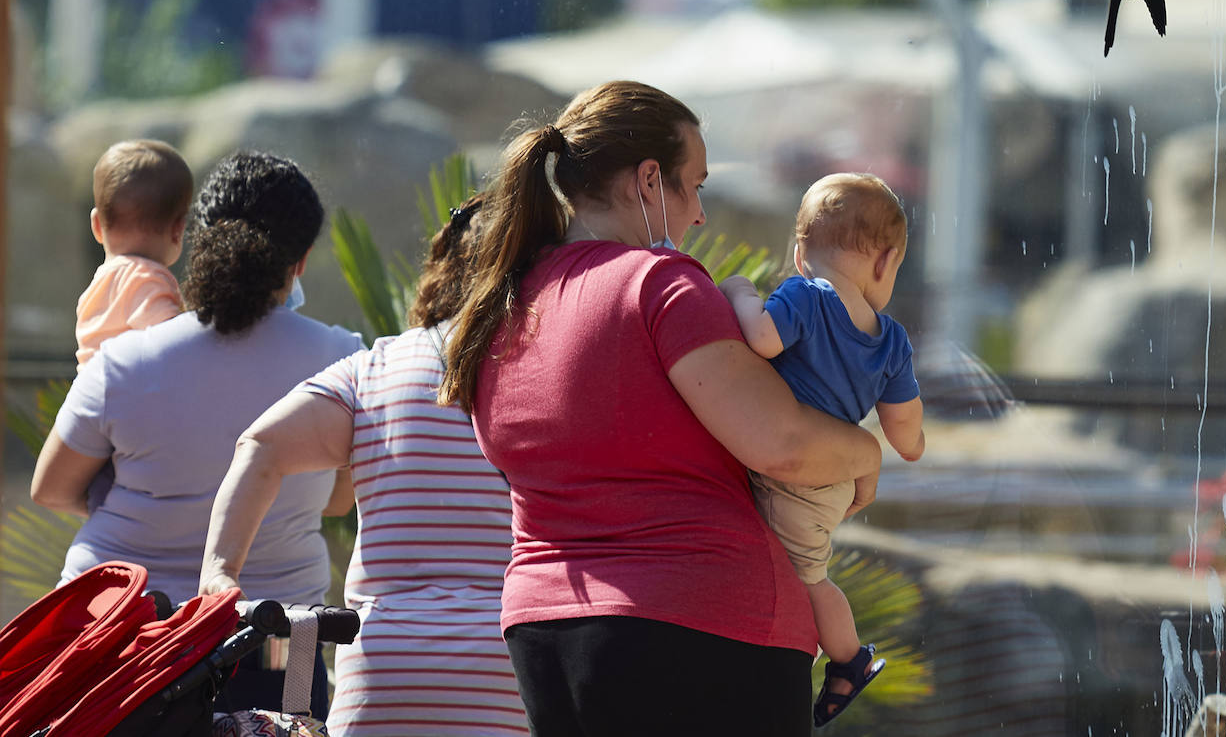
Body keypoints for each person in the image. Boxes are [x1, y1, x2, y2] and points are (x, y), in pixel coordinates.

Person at [437, 80, 883, 737]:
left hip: (543, 632)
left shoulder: (499, 306)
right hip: (701, 627)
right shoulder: (659, 283)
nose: (699, 213)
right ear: (649, 181)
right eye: (694, 184)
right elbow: (781, 441)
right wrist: (869, 452)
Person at [32, 151, 363, 719]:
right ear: (302, 260)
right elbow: (337, 500)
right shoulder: (343, 359)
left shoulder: (123, 360)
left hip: (123, 638)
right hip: (278, 642)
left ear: (197, 236)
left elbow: (52, 489)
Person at [200, 193, 531, 736]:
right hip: (507, 673)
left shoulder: (373, 368)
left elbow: (260, 446)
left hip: (382, 676)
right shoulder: (550, 368)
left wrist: (220, 572)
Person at [719, 172, 926, 727]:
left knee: (807, 578)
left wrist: (739, 292)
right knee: (803, 569)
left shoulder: (806, 296)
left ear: (799, 253)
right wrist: (916, 439)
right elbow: (906, 437)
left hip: (791, 474)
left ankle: (849, 658)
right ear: (884, 264)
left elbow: (762, 339)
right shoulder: (893, 341)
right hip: (833, 477)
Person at [76, 138, 193, 369]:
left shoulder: (97, 286)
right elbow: (173, 344)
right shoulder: (145, 277)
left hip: (94, 395)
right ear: (178, 230)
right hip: (130, 398)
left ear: (97, 225)